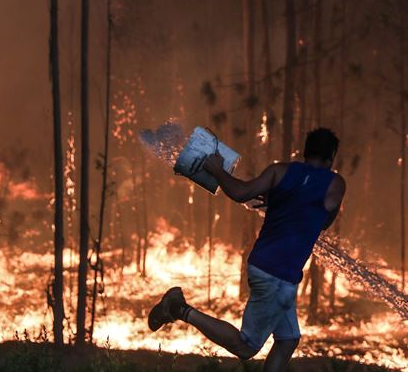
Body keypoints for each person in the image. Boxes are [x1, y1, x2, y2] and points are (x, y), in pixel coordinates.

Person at [147, 127, 346, 371]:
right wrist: (217, 169)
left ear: (306, 152)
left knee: (288, 340)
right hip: (277, 275)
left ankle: (180, 309)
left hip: (270, 268)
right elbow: (323, 221)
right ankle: (180, 309)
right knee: (246, 347)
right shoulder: (335, 183)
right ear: (332, 155)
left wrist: (220, 171)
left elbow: (240, 192)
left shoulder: (278, 171)